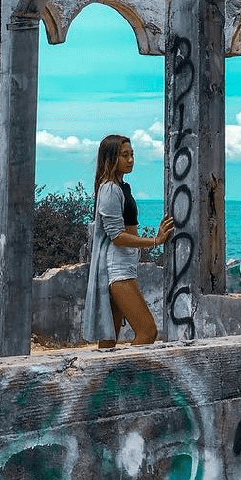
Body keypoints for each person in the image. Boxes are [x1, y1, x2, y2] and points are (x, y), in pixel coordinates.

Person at [82, 133, 174, 347]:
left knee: (109, 340)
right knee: (147, 331)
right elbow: (118, 237)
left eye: (132, 154)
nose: (131, 160)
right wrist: (156, 240)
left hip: (126, 265)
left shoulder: (123, 187)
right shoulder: (109, 189)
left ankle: (107, 371)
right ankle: (132, 371)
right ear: (110, 158)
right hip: (117, 269)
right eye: (124, 155)